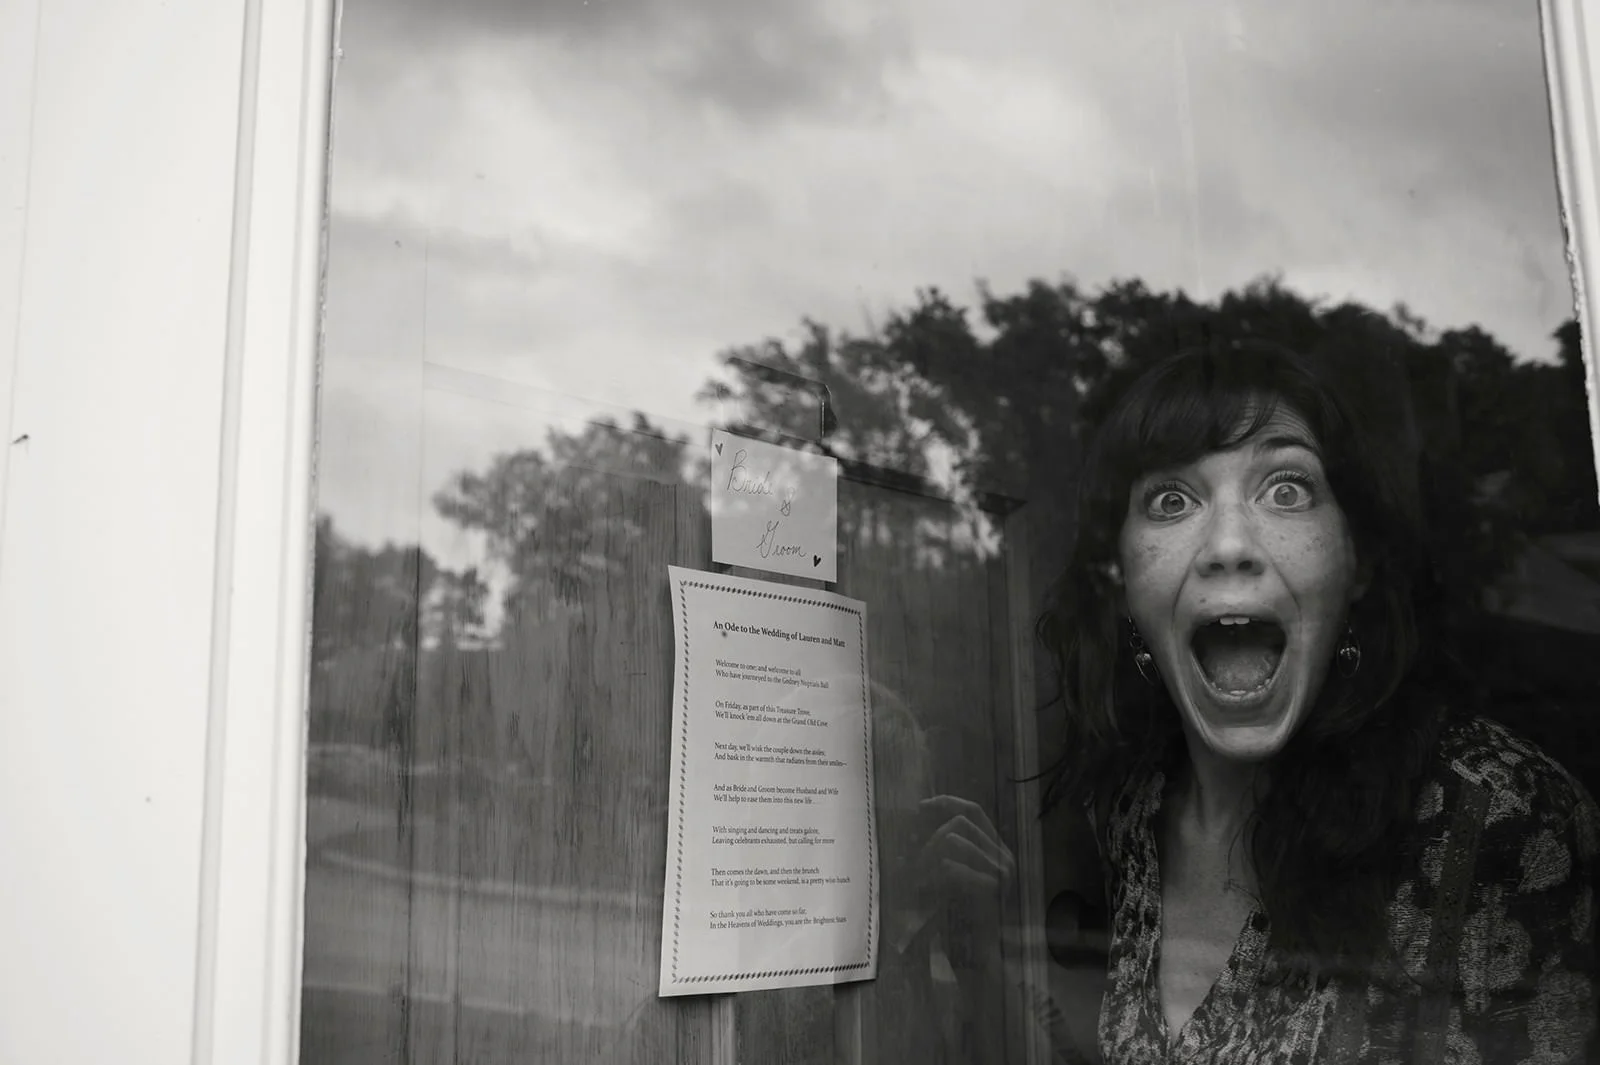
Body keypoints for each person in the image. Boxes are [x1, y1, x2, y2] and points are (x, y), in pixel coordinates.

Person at [1036, 340, 1600, 1063]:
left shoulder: (1503, 819)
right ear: (1119, 580)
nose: (1230, 545)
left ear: (1356, 562)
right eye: (1171, 499)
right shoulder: (1131, 809)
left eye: (1287, 488)